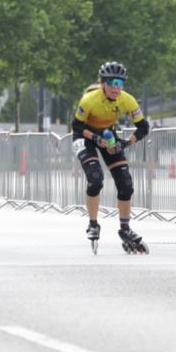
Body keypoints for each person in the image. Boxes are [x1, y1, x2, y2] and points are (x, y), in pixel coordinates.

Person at [72, 61, 150, 252]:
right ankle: (93, 223)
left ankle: (125, 229)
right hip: (86, 136)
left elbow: (143, 127)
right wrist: (96, 138)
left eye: (121, 83)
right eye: (113, 82)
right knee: (96, 179)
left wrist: (126, 142)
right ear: (103, 83)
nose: (117, 87)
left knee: (125, 183)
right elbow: (77, 126)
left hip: (108, 135)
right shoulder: (89, 100)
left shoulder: (127, 100)